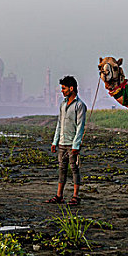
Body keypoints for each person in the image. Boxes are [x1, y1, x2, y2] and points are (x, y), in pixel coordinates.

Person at [45, 76, 87, 206]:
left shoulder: (80, 106)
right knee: (62, 169)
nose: (62, 91)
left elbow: (80, 127)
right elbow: (59, 124)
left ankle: (75, 196)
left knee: (74, 169)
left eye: (64, 88)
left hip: (72, 144)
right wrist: (54, 141)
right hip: (62, 143)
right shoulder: (63, 104)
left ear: (71, 88)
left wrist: (76, 145)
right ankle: (59, 196)